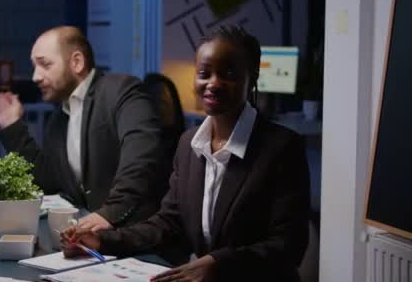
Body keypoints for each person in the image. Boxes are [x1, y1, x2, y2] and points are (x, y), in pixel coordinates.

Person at [61, 26, 311, 282]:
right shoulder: (189, 144)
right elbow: (169, 222)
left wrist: (219, 264)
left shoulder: (281, 148)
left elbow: (289, 245)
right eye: (204, 73)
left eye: (228, 74)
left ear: (253, 77)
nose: (213, 83)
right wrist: (101, 241)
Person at [0, 26, 169, 231]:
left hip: (141, 238)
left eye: (45, 65)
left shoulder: (122, 90)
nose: (35, 77)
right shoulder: (58, 118)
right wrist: (12, 125)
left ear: (77, 62)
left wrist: (109, 214)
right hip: (95, 240)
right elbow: (49, 181)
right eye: (34, 67)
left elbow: (141, 160)